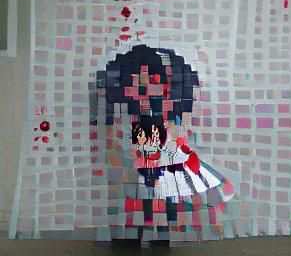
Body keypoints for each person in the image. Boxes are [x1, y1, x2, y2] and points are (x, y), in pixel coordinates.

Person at [92, 44, 234, 241]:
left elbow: (179, 141)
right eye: (137, 81)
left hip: (164, 175)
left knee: (166, 213)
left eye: (154, 80)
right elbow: (115, 147)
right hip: (137, 177)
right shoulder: (125, 118)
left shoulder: (170, 117)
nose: (146, 88)